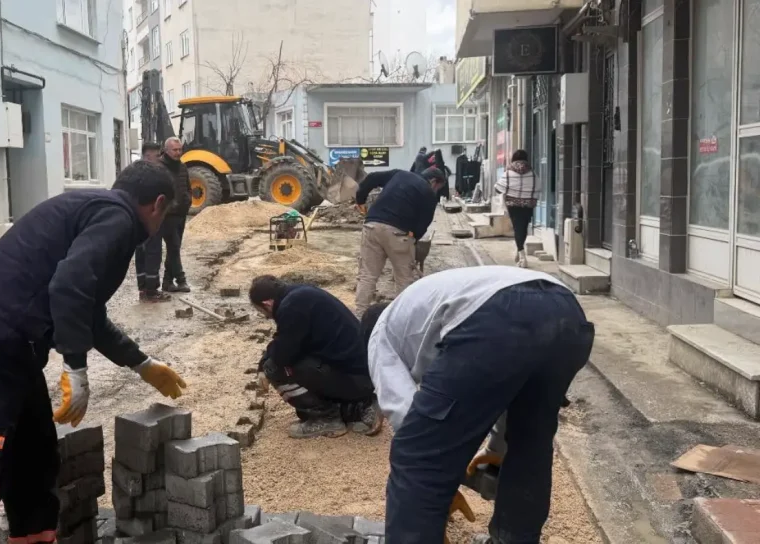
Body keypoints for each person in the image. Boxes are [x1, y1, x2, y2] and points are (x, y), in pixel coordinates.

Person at [0, 161, 189, 544]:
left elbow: (86, 312)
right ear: (158, 204)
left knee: (33, 464)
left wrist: (140, 363)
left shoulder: (95, 210)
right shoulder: (119, 218)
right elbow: (69, 286)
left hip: (8, 352)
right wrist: (75, 367)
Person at [361, 266, 595, 544]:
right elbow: (506, 385)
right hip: (566, 314)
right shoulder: (424, 304)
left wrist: (435, 486)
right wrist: (497, 449)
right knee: (529, 446)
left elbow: (405, 414)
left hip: (497, 315)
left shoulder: (379, 334)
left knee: (416, 456)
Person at [249, 275, 383, 439]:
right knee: (284, 360)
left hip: (354, 380)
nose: (267, 316)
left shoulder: (291, 307)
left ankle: (326, 418)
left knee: (275, 368)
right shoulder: (299, 295)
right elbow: (283, 339)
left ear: (266, 304)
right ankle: (359, 407)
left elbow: (283, 354)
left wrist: (264, 367)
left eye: (262, 312)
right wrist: (263, 360)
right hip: (360, 375)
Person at [353, 167, 445, 315]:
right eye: (438, 188)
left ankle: (359, 316)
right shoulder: (428, 193)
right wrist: (412, 239)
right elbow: (423, 225)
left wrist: (360, 200)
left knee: (367, 276)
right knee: (404, 279)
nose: (436, 191)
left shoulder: (399, 174)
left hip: (371, 226)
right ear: (434, 181)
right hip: (398, 233)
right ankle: (401, 317)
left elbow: (372, 178)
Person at [134, 142, 169, 301]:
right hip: (151, 219)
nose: (160, 159)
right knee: (153, 253)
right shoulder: (153, 174)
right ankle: (152, 290)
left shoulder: (133, 172)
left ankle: (143, 288)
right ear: (148, 156)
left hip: (137, 220)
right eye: (157, 156)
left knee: (140, 253)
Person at [494, 149, 538, 268]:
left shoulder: (508, 173)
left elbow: (498, 188)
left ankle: (522, 256)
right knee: (523, 229)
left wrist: (511, 190)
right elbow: (537, 187)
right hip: (528, 204)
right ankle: (520, 251)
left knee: (517, 228)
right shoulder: (532, 173)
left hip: (513, 205)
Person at [159, 137, 192, 293]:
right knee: (173, 246)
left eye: (180, 149)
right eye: (175, 150)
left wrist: (188, 201)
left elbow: (187, 188)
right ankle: (181, 280)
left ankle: (167, 282)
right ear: (166, 150)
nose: (178, 153)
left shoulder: (183, 167)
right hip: (167, 215)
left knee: (175, 247)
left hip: (181, 213)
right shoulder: (159, 167)